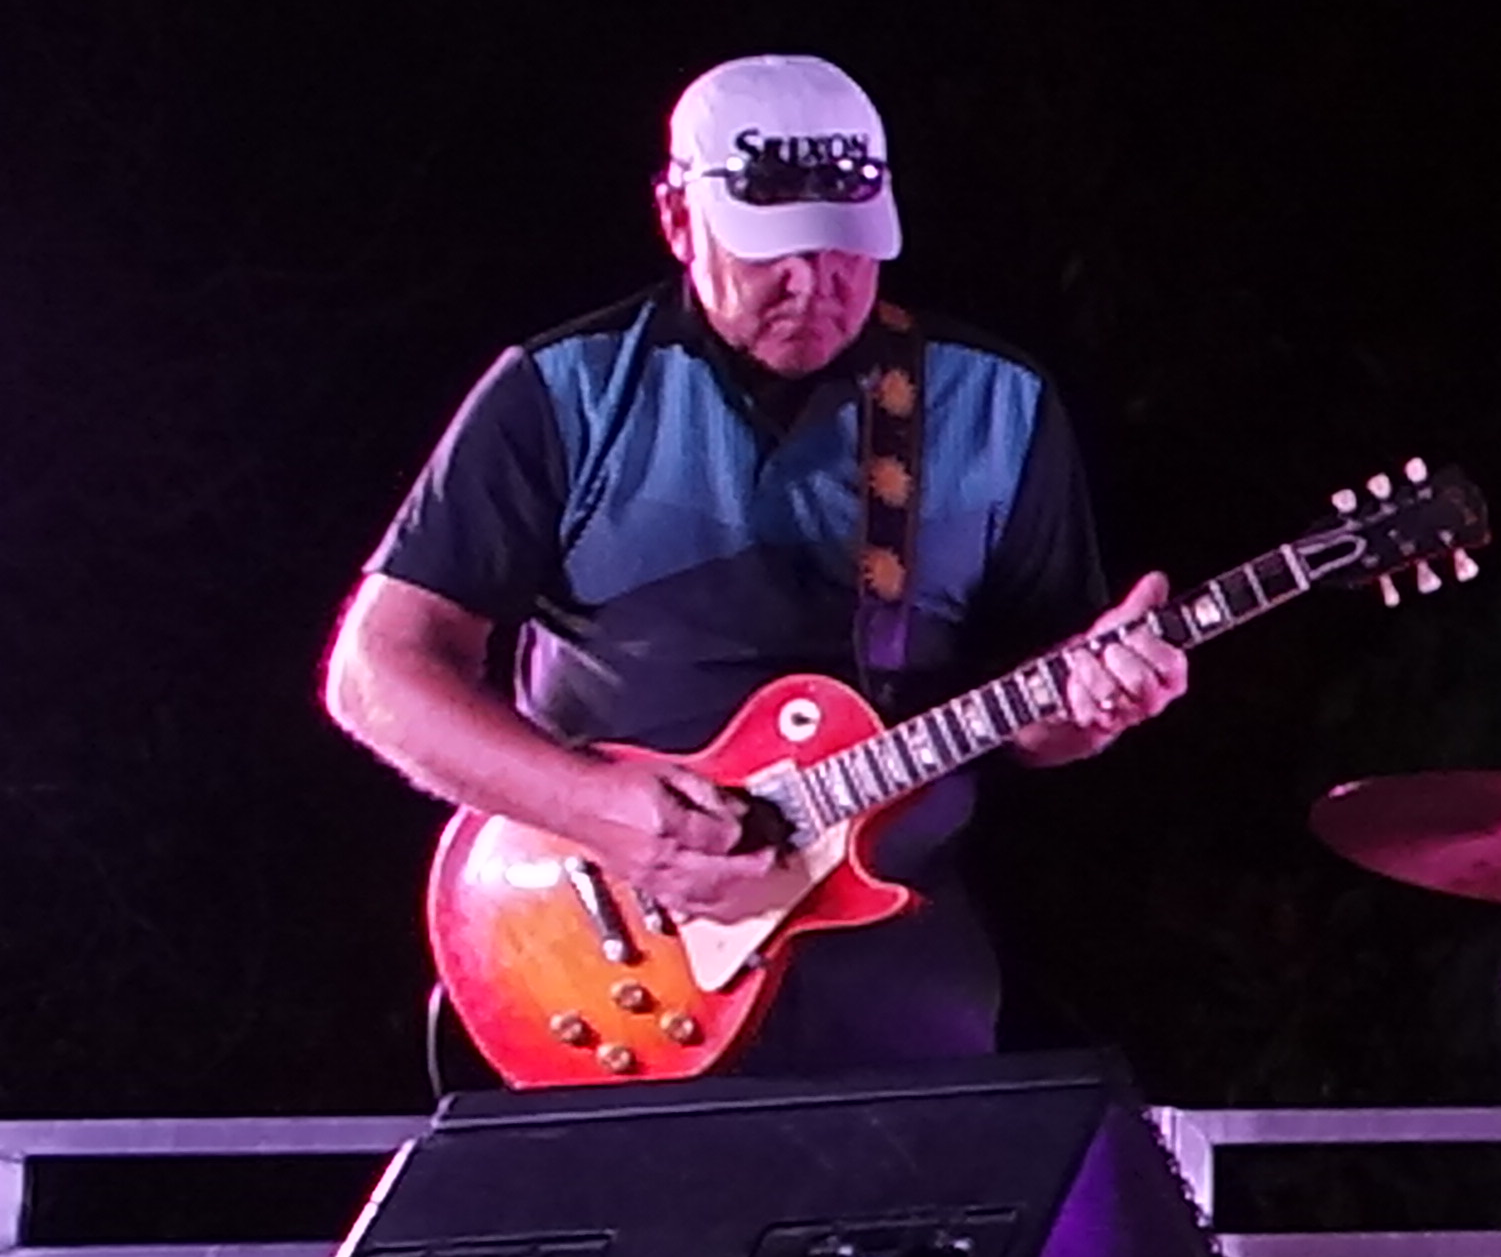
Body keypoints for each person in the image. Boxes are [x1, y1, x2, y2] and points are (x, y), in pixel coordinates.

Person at [321, 52, 1186, 1072]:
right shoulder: (560, 391)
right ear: (678, 218)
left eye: (846, 249)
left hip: (894, 970)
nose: (813, 284)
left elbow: (1038, 715)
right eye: (773, 250)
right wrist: (597, 809)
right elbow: (374, 673)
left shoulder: (998, 403)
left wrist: (1093, 709)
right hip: (603, 965)